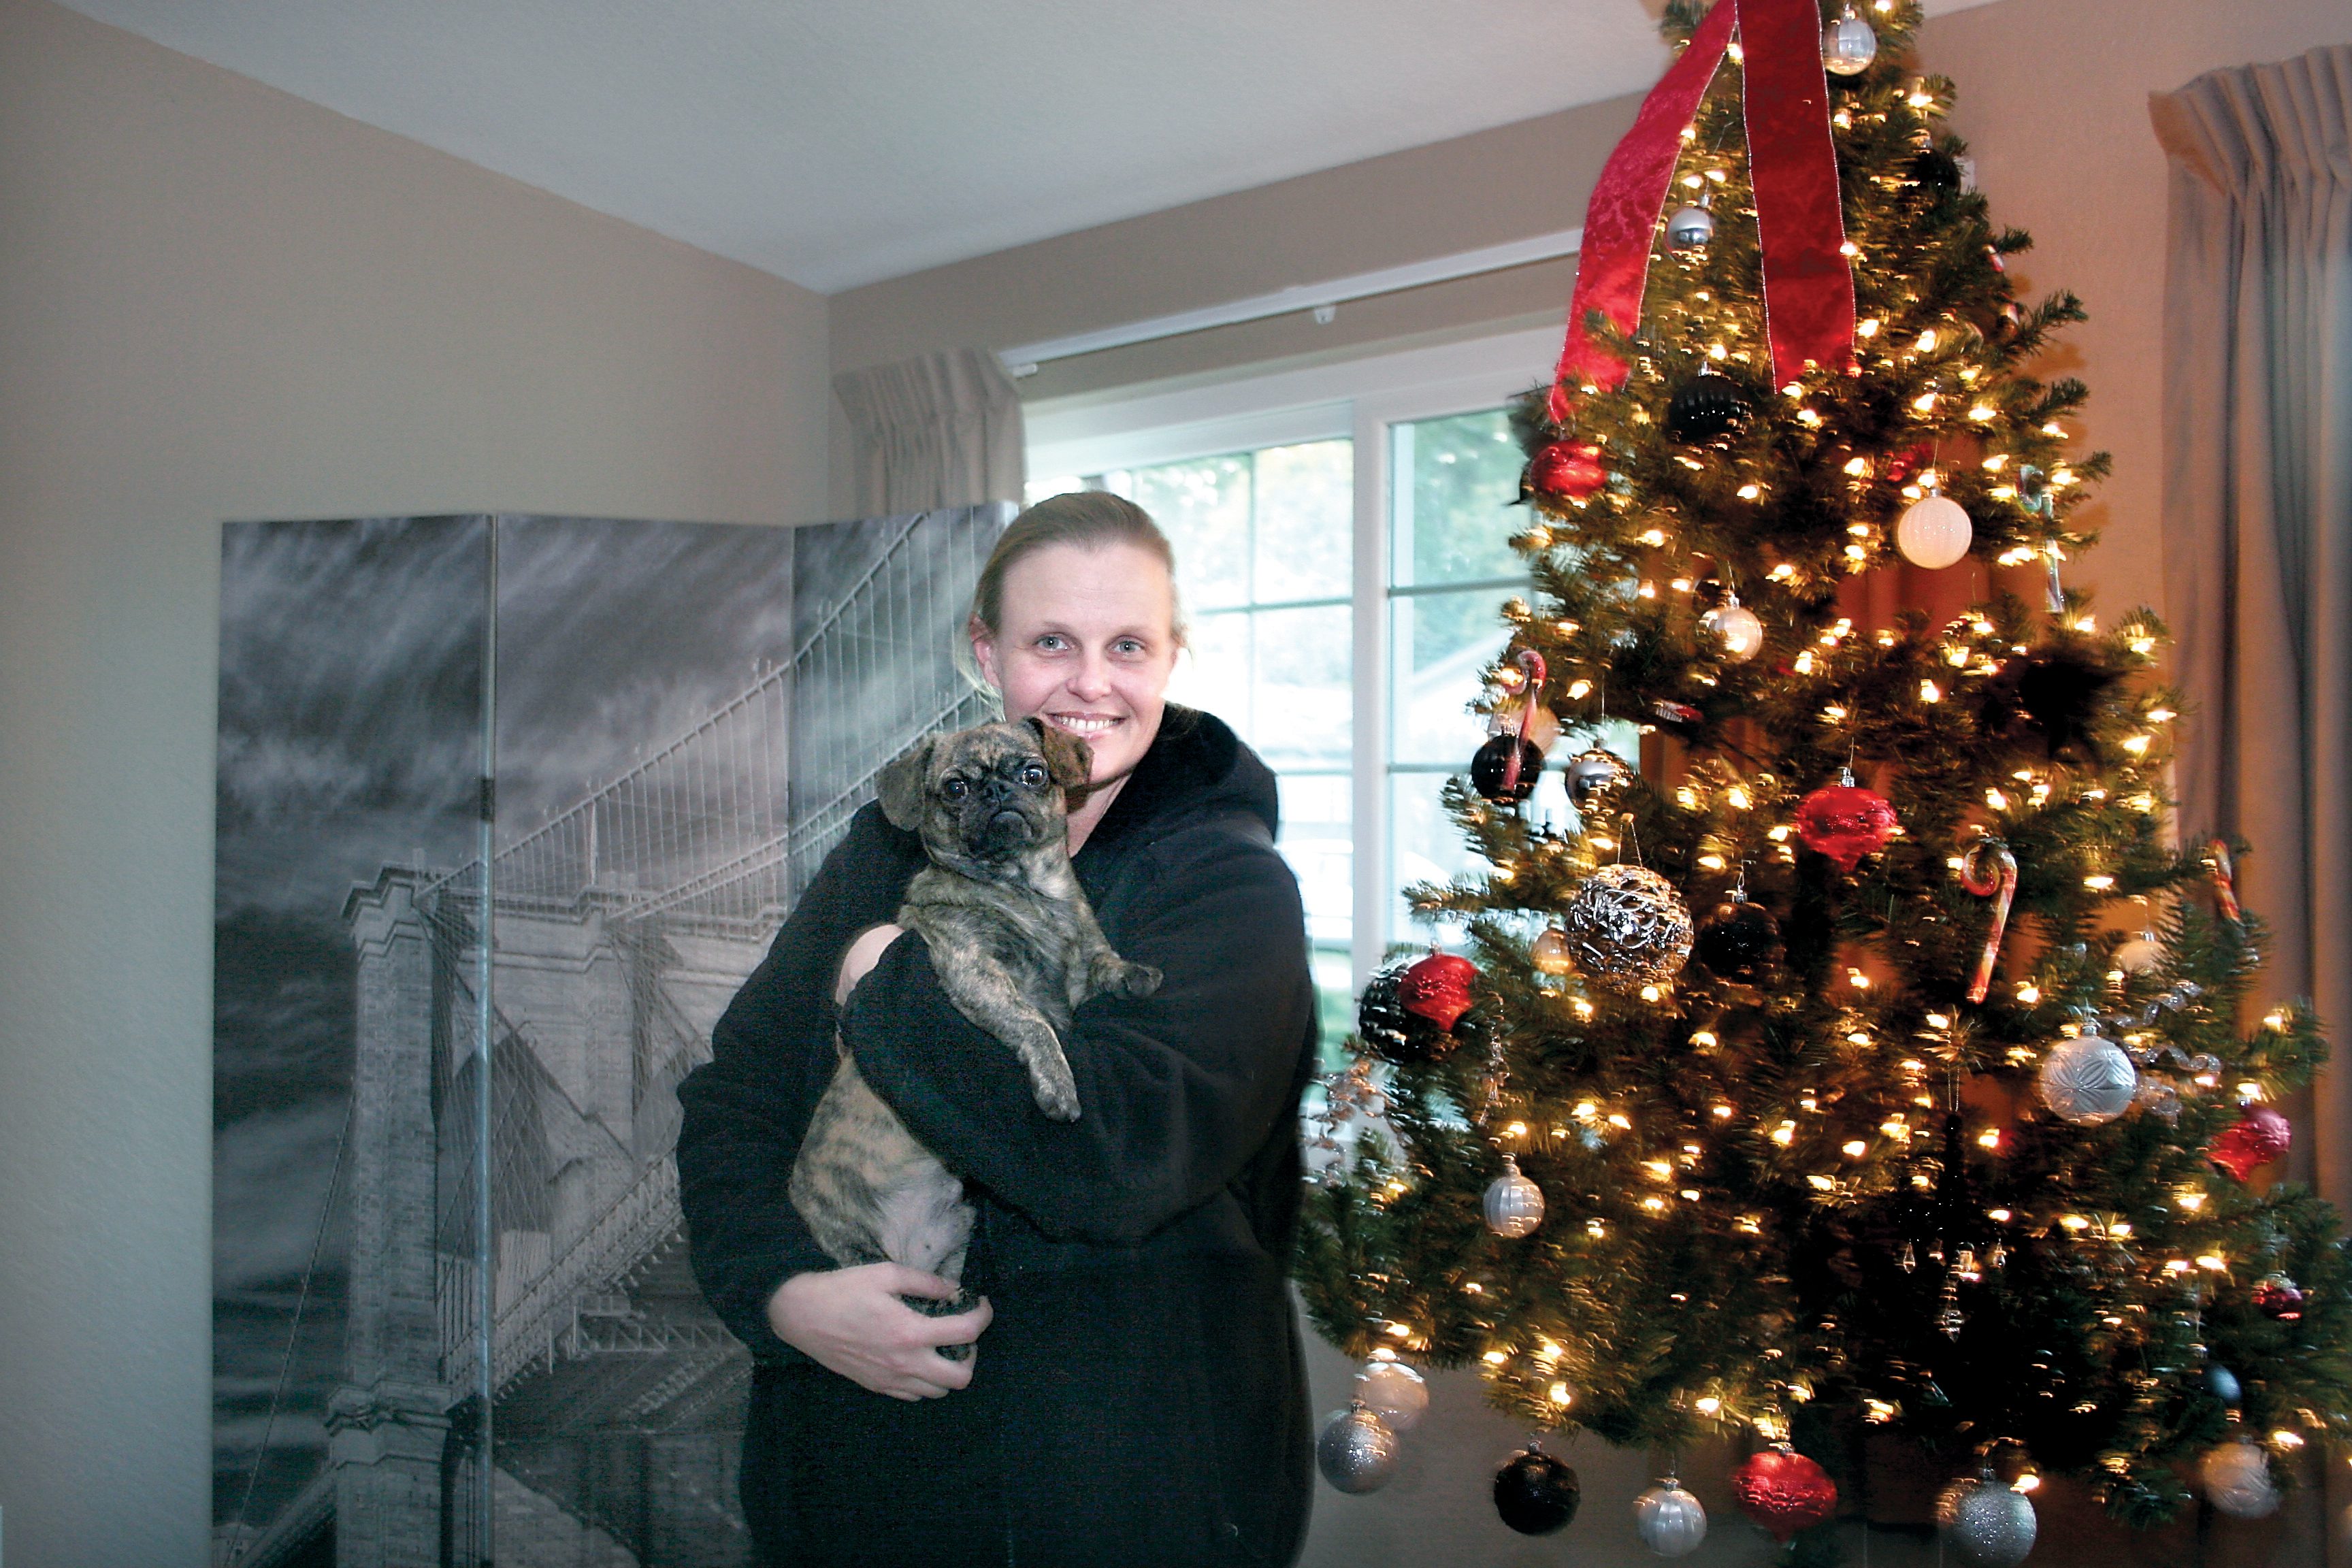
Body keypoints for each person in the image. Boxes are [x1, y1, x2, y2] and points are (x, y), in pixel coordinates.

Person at [674, 491, 1319, 1567]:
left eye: (1129, 645)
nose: (1091, 683)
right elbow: (737, 1095)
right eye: (1051, 642)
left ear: (1170, 659)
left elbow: (1114, 1156)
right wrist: (785, 1294)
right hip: (857, 1491)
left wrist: (886, 985)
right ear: (988, 652)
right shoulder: (886, 849)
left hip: (1124, 1499)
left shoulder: (1230, 889)